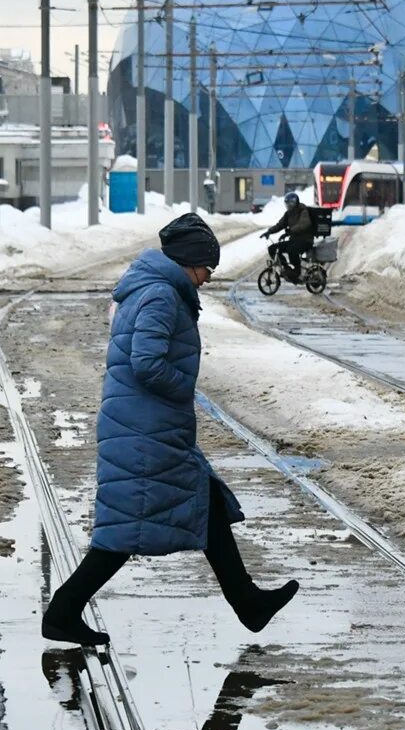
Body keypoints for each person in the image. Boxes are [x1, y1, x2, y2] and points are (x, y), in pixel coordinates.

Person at [41, 214, 300, 646]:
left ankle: (248, 603)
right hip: (145, 428)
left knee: (203, 500)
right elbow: (146, 363)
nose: (206, 279)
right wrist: (185, 388)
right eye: (207, 269)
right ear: (190, 262)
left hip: (147, 425)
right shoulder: (162, 296)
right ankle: (64, 611)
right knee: (130, 526)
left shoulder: (153, 290)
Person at [261, 191, 314, 276]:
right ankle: (285, 268)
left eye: (291, 203)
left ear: (295, 202)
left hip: (305, 241)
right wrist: (269, 232)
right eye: (287, 204)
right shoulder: (288, 214)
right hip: (294, 240)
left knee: (292, 250)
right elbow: (280, 225)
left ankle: (297, 270)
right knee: (273, 249)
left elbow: (304, 224)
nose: (289, 205)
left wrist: (291, 231)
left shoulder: (303, 211)